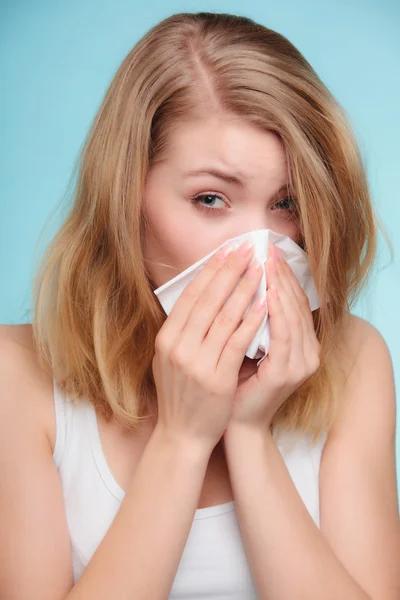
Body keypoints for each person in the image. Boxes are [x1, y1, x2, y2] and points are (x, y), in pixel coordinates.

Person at [0, 11, 399, 600]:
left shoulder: (353, 358)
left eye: (287, 203)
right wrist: (183, 441)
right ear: (127, 200)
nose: (261, 251)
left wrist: (247, 432)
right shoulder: (18, 376)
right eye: (210, 198)